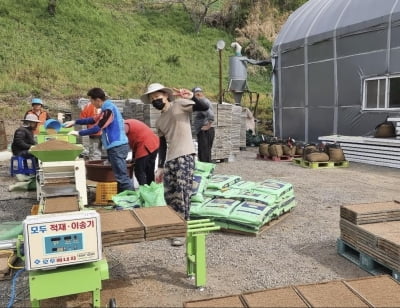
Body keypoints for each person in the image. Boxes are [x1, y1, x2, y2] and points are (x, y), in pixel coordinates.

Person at [140, 83, 209, 246]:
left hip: (185, 156)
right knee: (169, 195)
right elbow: (162, 145)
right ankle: (176, 226)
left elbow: (203, 107)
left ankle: (181, 232)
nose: (155, 101)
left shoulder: (180, 105)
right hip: (171, 159)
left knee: (181, 194)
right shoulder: (160, 121)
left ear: (166, 95)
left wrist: (191, 96)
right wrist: (161, 166)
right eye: (152, 99)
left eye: (157, 97)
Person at [64, 88, 134, 193]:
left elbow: (97, 127)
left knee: (122, 176)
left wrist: (79, 133)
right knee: (118, 176)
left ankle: (131, 200)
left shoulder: (109, 110)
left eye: (91, 101)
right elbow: (93, 119)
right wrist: (75, 122)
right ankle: (123, 200)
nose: (91, 103)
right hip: (114, 146)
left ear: (97, 100)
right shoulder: (105, 109)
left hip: (117, 146)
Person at [124, 119, 160, 186]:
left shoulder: (124, 125)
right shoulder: (130, 123)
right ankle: (151, 191)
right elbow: (134, 146)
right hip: (154, 143)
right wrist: (133, 159)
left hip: (145, 145)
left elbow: (123, 142)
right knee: (149, 171)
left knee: (139, 171)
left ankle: (145, 191)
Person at [192, 87, 215, 162]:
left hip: (205, 131)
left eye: (199, 93)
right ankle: (206, 171)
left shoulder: (202, 102)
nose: (198, 94)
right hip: (203, 131)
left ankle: (206, 172)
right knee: (203, 153)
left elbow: (211, 114)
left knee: (204, 154)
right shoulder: (202, 101)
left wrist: (208, 126)